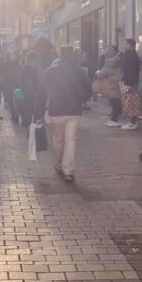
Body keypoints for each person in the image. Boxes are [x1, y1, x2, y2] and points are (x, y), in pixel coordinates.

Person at [34, 46, 91, 182]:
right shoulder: (80, 72)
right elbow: (88, 92)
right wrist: (80, 99)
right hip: (74, 111)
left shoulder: (50, 72)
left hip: (56, 110)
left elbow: (41, 93)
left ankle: (59, 164)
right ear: (73, 56)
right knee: (70, 140)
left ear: (60, 55)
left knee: (57, 139)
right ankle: (68, 170)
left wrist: (39, 113)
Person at [95, 46, 123, 127]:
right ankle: (114, 118)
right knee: (116, 101)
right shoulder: (117, 60)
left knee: (115, 101)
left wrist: (98, 72)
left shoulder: (108, 62)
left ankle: (114, 119)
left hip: (110, 83)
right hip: (116, 82)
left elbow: (103, 73)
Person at [120, 38, 141, 130]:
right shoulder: (127, 55)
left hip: (130, 82)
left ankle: (133, 122)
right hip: (126, 81)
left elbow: (132, 71)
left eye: (125, 44)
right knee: (127, 101)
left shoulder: (132, 56)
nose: (124, 45)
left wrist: (133, 84)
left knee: (131, 101)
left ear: (130, 45)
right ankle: (131, 121)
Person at [18, 50, 42, 127]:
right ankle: (34, 125)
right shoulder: (38, 66)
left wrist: (22, 88)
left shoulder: (25, 66)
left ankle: (27, 124)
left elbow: (20, 79)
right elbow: (41, 78)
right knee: (36, 109)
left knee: (27, 108)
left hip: (27, 91)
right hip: (37, 92)